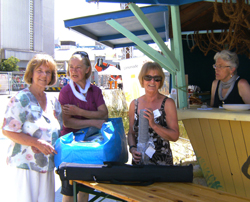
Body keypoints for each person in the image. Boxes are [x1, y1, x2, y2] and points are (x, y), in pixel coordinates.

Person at [2, 54, 62, 202]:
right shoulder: (20, 99)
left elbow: (60, 128)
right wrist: (36, 143)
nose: (44, 75)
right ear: (31, 73)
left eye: (48, 72)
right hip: (25, 166)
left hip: (46, 166)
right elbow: (7, 130)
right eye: (39, 70)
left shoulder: (53, 101)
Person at [59, 51, 108, 202]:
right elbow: (68, 122)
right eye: (71, 67)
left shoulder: (95, 90)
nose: (73, 71)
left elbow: (104, 115)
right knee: (69, 191)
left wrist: (79, 111)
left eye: (78, 67)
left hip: (89, 145)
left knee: (85, 189)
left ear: (87, 69)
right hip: (71, 146)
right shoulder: (66, 91)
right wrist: (93, 121)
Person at [127, 61, 179, 165]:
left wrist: (154, 125)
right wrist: (132, 149)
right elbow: (131, 133)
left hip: (162, 162)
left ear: (161, 81)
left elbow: (175, 136)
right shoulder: (134, 104)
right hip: (140, 162)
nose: (152, 81)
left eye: (157, 78)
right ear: (142, 79)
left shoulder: (168, 103)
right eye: (148, 77)